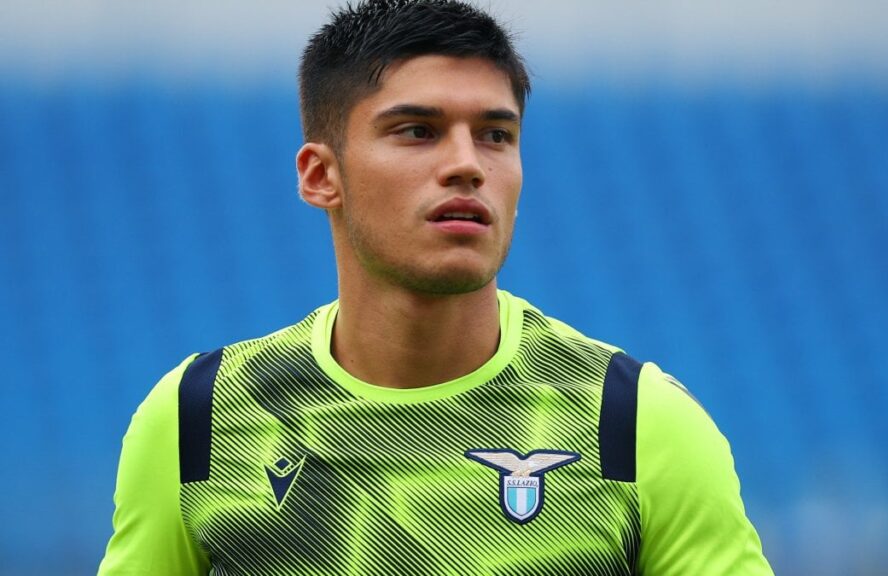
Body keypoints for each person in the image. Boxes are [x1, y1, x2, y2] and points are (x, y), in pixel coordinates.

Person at [99, 0, 774, 574]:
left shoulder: (633, 423)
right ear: (321, 176)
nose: (466, 165)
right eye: (418, 131)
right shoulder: (198, 421)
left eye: (495, 135)